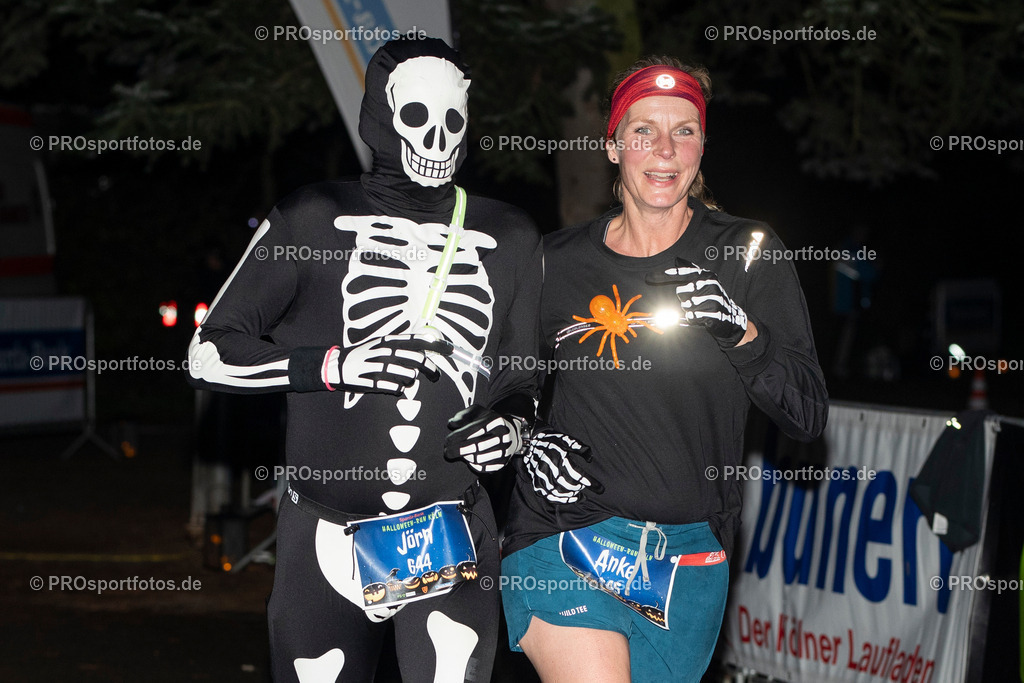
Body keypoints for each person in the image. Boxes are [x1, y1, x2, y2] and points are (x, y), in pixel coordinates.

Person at [187, 38, 541, 683]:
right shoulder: (312, 218)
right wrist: (330, 366)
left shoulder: (509, 234)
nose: (436, 140)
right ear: (380, 116)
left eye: (452, 122)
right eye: (416, 118)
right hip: (325, 533)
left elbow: (523, 374)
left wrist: (511, 424)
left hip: (451, 534)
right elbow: (209, 351)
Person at [500, 56, 829, 682]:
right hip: (565, 534)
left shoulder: (745, 254)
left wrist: (743, 332)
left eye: (684, 130)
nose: (664, 148)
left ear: (703, 146)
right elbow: (504, 381)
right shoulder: (554, 262)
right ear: (613, 144)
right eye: (643, 129)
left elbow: (807, 414)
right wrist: (525, 437)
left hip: (689, 560)